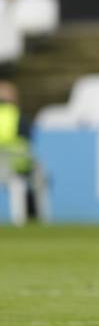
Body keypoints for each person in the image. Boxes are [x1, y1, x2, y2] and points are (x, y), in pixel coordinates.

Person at [0, 80, 47, 226]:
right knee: (30, 179)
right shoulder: (18, 116)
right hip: (14, 167)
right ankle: (32, 218)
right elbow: (26, 143)